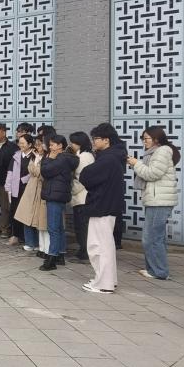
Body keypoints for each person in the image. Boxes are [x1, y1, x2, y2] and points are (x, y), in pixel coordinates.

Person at [127, 125, 180, 280]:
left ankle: (159, 272)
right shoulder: (155, 152)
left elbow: (152, 174)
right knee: (157, 238)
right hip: (157, 200)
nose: (144, 142)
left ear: (156, 139)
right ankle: (154, 269)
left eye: (146, 138)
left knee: (151, 238)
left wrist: (136, 163)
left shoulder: (162, 151)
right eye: (143, 139)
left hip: (159, 201)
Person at [79, 123, 127, 294]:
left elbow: (86, 175)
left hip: (103, 205)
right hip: (107, 205)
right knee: (105, 245)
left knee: (98, 246)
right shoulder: (113, 156)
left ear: (106, 140)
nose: (94, 142)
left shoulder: (108, 159)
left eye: (96, 139)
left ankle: (104, 284)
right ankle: (108, 280)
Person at [39, 134, 78, 271]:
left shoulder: (60, 159)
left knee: (53, 228)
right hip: (59, 194)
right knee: (59, 227)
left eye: (52, 145)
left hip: (55, 195)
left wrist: (49, 158)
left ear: (60, 145)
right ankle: (60, 254)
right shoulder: (66, 158)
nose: (50, 147)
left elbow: (45, 171)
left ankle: (51, 259)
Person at [14, 135, 45, 253]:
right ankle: (29, 242)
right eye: (36, 145)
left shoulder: (47, 158)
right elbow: (31, 170)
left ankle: (37, 243)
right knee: (26, 216)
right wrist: (36, 160)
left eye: (40, 144)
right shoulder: (34, 156)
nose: (38, 147)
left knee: (37, 219)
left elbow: (39, 173)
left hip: (40, 189)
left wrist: (36, 162)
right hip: (31, 189)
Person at [69, 132, 95, 263]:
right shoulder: (84, 155)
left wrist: (71, 190)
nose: (71, 145)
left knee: (82, 226)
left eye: (73, 142)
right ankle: (83, 249)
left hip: (82, 196)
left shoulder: (84, 157)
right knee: (81, 225)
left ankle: (85, 251)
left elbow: (81, 179)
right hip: (81, 196)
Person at [5, 134, 32, 245]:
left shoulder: (34, 156)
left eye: (23, 143)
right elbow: (10, 172)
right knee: (15, 212)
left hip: (28, 188)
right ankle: (15, 235)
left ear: (30, 144)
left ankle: (26, 238)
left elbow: (34, 172)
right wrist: (8, 186)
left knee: (26, 213)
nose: (20, 145)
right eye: (19, 143)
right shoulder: (16, 155)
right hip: (16, 189)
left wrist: (23, 180)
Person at [0, 123, 17, 238]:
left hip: (4, 181)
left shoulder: (12, 147)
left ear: (3, 132)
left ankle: (5, 228)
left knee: (5, 207)